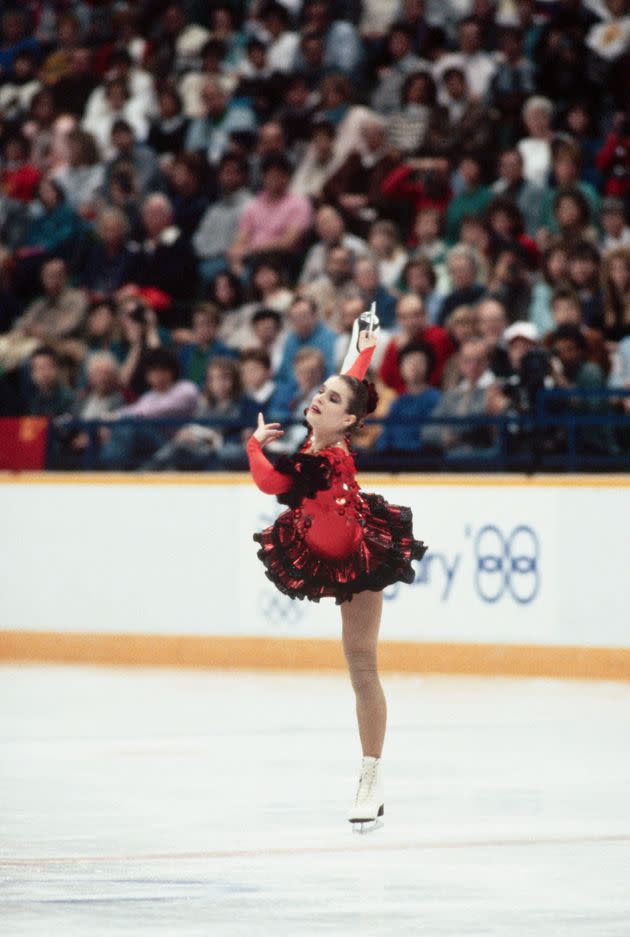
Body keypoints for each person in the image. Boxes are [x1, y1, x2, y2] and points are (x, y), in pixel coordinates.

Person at [246, 327, 427, 828]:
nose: (318, 398)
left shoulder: (321, 461)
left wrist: (253, 445)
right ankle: (371, 773)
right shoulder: (315, 439)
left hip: (361, 555)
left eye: (330, 398)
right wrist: (362, 340)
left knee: (363, 667)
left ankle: (371, 775)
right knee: (357, 668)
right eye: (318, 392)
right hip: (322, 545)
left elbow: (267, 481)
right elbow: (353, 378)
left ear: (348, 419)